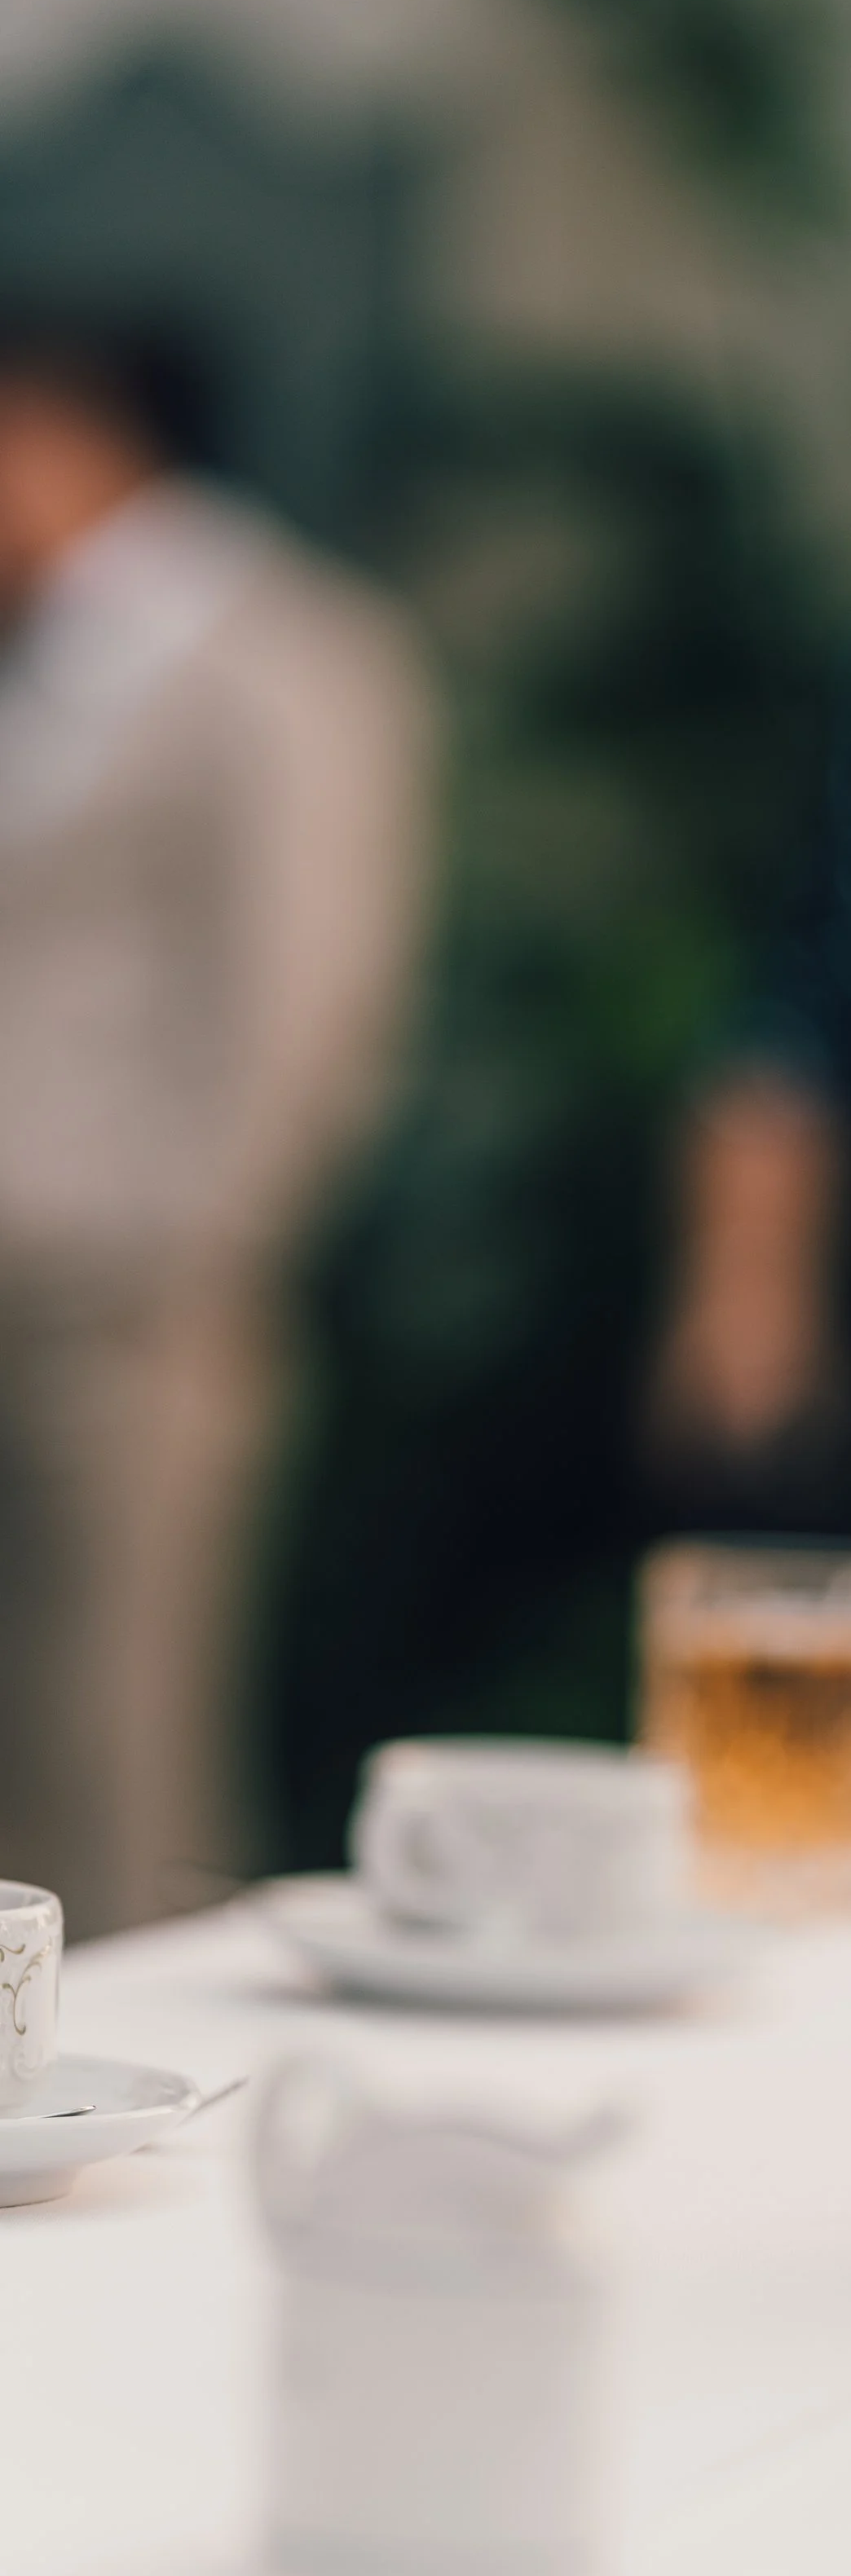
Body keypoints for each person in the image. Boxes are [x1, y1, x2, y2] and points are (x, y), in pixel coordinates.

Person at [0, 315, 430, 1931]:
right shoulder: (57, 658)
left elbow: (310, 991)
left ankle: (137, 2119)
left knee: (119, 1740)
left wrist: (191, 1244)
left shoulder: (285, 658)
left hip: (130, 1292)